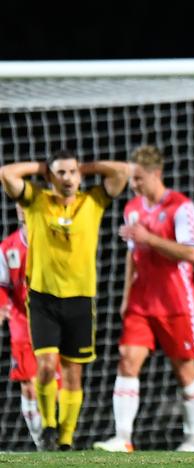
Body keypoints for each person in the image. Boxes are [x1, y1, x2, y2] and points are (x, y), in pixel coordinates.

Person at [0, 150, 130, 451]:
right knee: (44, 367)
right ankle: (48, 424)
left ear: (80, 176)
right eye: (61, 173)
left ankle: (66, 439)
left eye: (72, 173)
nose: (68, 178)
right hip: (43, 300)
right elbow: (7, 174)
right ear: (51, 177)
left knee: (73, 373)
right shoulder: (36, 200)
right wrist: (42, 168)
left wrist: (88, 167)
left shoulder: (92, 201)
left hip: (80, 301)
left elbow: (122, 171)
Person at [92, 145, 194, 453]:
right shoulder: (132, 209)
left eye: (139, 178)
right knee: (127, 361)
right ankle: (123, 437)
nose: (134, 185)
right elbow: (133, 256)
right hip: (142, 302)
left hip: (175, 303)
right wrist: (126, 297)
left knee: (185, 371)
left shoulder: (182, 207)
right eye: (132, 179)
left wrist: (149, 238)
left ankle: (192, 440)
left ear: (156, 174)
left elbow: (192, 253)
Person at [0, 203, 47, 450]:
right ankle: (42, 445)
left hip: (54, 319)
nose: (22, 209)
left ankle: (61, 437)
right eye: (19, 204)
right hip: (22, 322)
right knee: (28, 384)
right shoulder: (7, 247)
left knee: (53, 385)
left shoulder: (52, 241)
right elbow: (1, 285)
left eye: (27, 202)